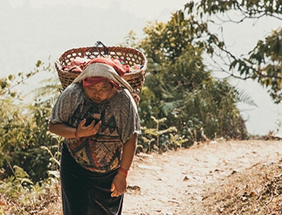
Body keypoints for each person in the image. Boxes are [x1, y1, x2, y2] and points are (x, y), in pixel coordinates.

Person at [49, 57, 141, 215]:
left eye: (103, 88)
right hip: (74, 166)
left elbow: (130, 138)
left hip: (110, 171)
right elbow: (53, 126)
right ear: (83, 84)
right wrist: (77, 133)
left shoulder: (123, 101)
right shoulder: (72, 94)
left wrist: (122, 174)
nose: (97, 93)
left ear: (113, 85)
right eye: (92, 88)